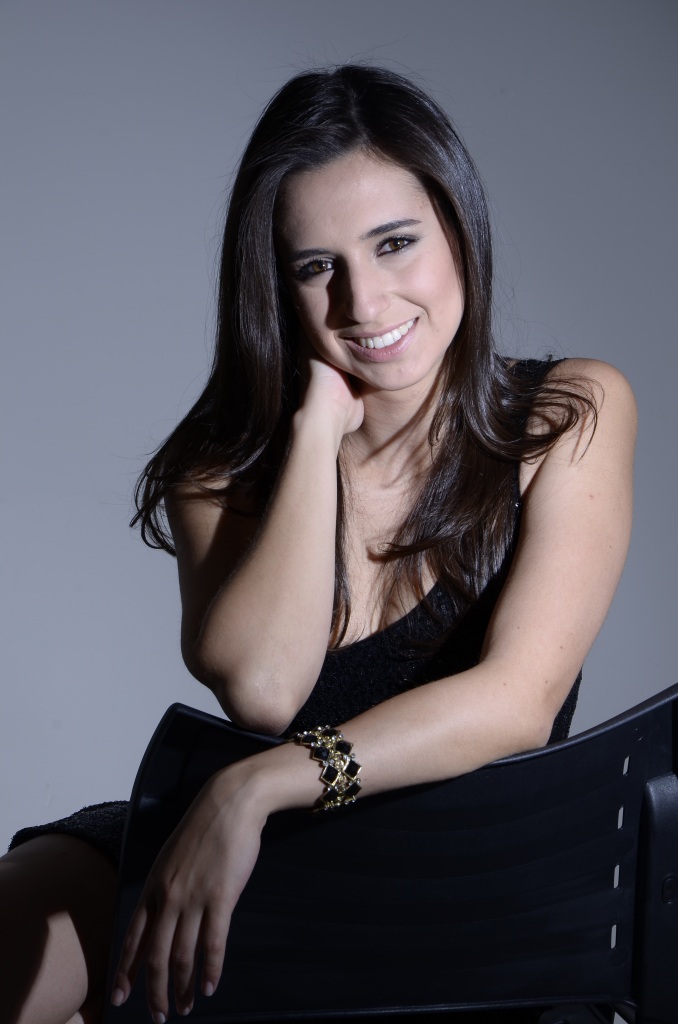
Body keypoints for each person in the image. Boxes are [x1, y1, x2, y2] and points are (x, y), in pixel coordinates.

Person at [1, 65, 636, 1024]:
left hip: (471, 887)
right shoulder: (219, 472)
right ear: (276, 287)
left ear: (458, 231)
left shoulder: (566, 413)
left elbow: (517, 701)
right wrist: (313, 433)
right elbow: (265, 689)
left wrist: (257, 785)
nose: (363, 301)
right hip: (261, 865)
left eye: (395, 243)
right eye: (315, 267)